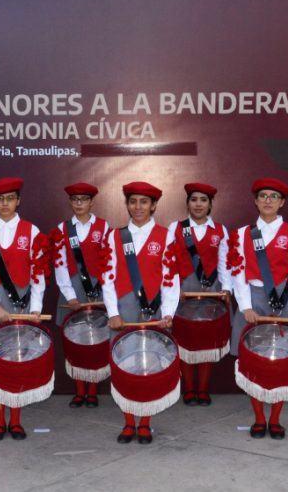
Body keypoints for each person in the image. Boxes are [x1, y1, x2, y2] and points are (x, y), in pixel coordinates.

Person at [227, 178, 288, 440]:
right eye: (263, 196)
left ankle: (275, 419)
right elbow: (238, 273)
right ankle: (259, 418)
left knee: (281, 360)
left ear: (282, 202)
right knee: (254, 359)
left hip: (284, 300)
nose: (268, 200)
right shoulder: (243, 234)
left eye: (274, 196)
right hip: (254, 300)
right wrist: (245, 307)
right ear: (255, 201)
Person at [102, 181, 180, 444]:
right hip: (123, 308)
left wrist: (168, 312)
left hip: (155, 308)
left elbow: (170, 278)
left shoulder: (166, 235)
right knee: (124, 363)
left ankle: (145, 422)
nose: (138, 207)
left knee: (150, 363)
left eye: (144, 202)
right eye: (133, 201)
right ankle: (127, 422)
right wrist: (113, 312)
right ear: (126, 204)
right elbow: (107, 278)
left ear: (154, 205)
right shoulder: (114, 236)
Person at [0, 177, 50, 441]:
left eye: (10, 198)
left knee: (17, 361)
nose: (5, 203)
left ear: (18, 201)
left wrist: (36, 309)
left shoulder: (32, 231)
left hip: (22, 306)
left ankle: (15, 421)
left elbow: (38, 274)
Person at [167, 183, 232, 406]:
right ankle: (189, 390)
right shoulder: (175, 228)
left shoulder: (220, 230)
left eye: (203, 200)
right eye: (194, 199)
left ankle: (203, 390)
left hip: (212, 292)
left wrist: (226, 288)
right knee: (186, 342)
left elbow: (225, 262)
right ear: (187, 203)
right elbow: (169, 261)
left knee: (207, 342)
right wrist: (175, 289)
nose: (198, 204)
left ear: (210, 204)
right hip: (184, 291)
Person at [50, 183, 110, 409]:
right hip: (72, 291)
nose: (79, 203)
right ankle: (79, 391)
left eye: (83, 199)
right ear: (70, 202)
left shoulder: (103, 227)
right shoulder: (62, 229)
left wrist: (103, 289)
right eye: (75, 200)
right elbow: (60, 264)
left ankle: (92, 391)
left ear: (91, 202)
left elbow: (108, 261)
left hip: (98, 290)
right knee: (75, 340)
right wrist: (70, 295)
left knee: (95, 341)